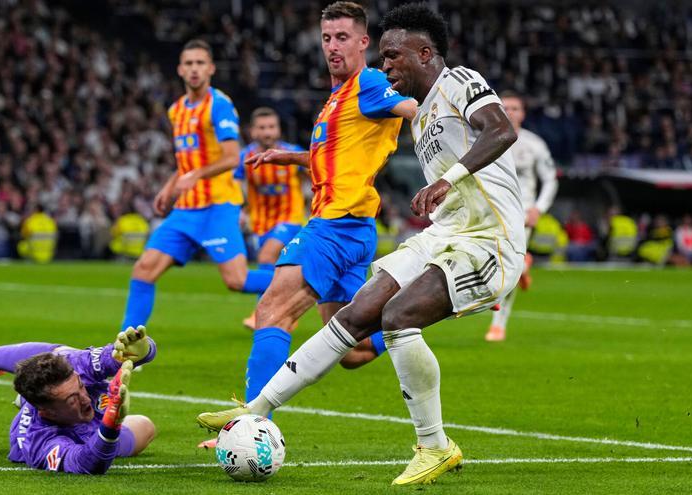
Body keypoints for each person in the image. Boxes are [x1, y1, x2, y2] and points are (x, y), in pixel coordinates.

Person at [197, 3, 524, 485]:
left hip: (489, 243)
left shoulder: (459, 81)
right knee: (355, 316)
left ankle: (435, 446)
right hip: (444, 236)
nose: (385, 66)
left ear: (425, 52)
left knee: (396, 318)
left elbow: (502, 129)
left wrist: (447, 180)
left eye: (392, 56)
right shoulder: (419, 114)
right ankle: (253, 411)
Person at [234, 1, 416, 413]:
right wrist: (292, 158)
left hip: (336, 225)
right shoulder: (339, 98)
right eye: (327, 38)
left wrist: (448, 131)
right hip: (354, 229)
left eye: (343, 38)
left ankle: (248, 424)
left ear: (363, 42)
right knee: (353, 352)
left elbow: (412, 108)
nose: (333, 46)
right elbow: (342, 156)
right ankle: (409, 312)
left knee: (272, 310)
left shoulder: (368, 84)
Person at [121, 40, 274, 330]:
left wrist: (195, 176)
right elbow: (185, 160)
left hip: (218, 206)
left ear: (211, 69)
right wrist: (170, 186)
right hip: (186, 210)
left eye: (200, 63)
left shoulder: (219, 105)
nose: (194, 69)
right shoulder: (176, 110)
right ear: (180, 69)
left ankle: (310, 280)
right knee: (143, 270)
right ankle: (126, 351)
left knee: (237, 281)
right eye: (189, 63)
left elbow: (231, 158)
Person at [0, 327, 157, 474]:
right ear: (47, 412)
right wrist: (111, 425)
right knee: (145, 427)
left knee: (59, 355)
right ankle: (25, 399)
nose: (84, 398)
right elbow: (86, 464)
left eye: (79, 386)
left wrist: (144, 351)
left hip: (63, 384)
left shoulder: (76, 367)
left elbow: (113, 356)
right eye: (72, 399)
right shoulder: (41, 441)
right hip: (72, 433)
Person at [485, 91, 557, 342]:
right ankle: (523, 264)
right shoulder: (487, 140)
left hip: (523, 212)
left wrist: (539, 208)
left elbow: (550, 179)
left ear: (523, 113)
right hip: (492, 210)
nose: (510, 112)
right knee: (493, 263)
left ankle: (498, 325)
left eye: (515, 108)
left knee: (507, 266)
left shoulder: (534, 144)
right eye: (505, 107)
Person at [235, 107, 306, 330]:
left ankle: (261, 316)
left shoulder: (293, 153)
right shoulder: (244, 157)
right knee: (274, 267)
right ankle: (287, 315)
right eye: (262, 128)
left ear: (278, 129)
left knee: (267, 256)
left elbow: (315, 172)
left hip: (290, 218)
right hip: (260, 222)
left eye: (271, 127)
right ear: (253, 131)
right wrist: (239, 210)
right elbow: (235, 185)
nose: (267, 132)